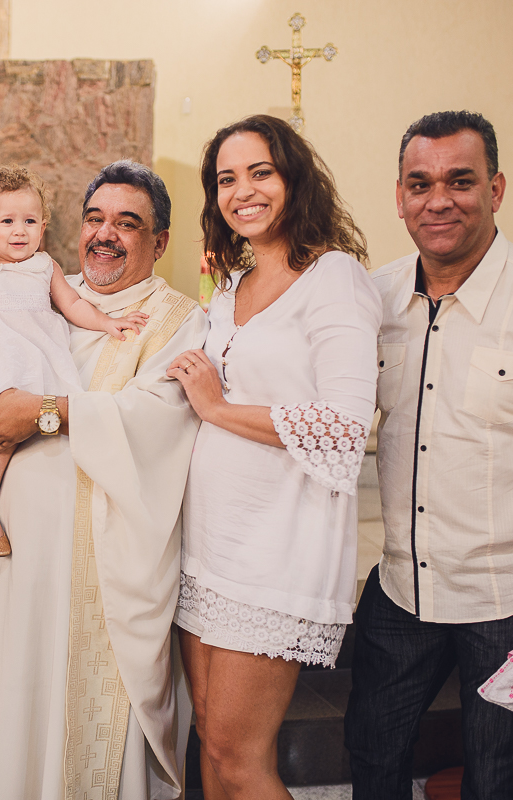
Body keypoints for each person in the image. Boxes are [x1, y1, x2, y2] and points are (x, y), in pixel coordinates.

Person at [345, 110, 513, 800]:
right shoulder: (372, 300)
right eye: (420, 183)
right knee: (371, 760)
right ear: (399, 195)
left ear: (495, 189)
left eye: (460, 181)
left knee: (499, 784)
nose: (439, 200)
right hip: (402, 589)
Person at [0, 160, 209, 800]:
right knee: (18, 711)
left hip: (108, 573)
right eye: (95, 218)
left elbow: (155, 419)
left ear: (160, 242)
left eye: (128, 224)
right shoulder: (35, 295)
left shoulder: (176, 320)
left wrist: (40, 412)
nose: (106, 234)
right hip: (18, 568)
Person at [170, 114, 380, 799]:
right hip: (210, 546)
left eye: (260, 171)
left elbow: (346, 425)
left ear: (294, 178)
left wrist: (218, 409)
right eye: (226, 179)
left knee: (240, 754)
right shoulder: (231, 287)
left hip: (275, 548)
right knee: (210, 738)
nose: (243, 191)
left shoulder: (334, 278)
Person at [0, 165, 146, 557]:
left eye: (30, 221)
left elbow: (72, 305)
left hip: (34, 362)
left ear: (43, 226)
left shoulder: (44, 266)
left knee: (24, 436)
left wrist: (108, 322)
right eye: (7, 221)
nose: (20, 231)